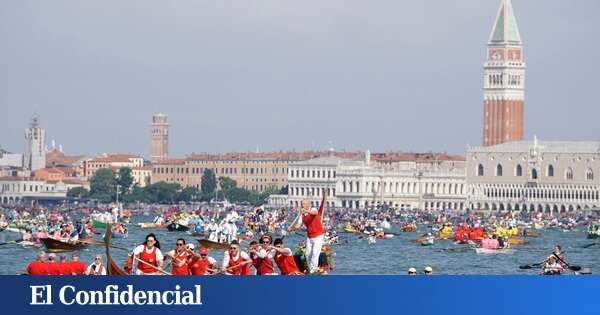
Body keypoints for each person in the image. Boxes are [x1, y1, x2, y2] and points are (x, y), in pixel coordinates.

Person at [300, 194, 326, 274]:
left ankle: (313, 270)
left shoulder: (312, 209)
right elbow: (298, 224)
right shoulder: (302, 215)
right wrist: (292, 228)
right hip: (309, 236)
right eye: (301, 204)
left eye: (303, 204)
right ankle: (311, 269)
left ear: (308, 205)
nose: (302, 206)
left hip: (318, 235)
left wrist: (306, 211)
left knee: (315, 253)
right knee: (307, 254)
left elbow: (314, 213)